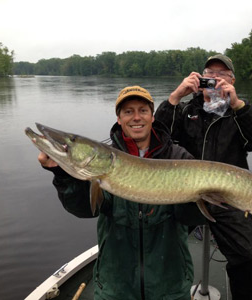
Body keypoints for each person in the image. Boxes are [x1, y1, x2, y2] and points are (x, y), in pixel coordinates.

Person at [38, 86, 203, 300]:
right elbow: (86, 209)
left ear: (152, 117)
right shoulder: (103, 161)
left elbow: (193, 217)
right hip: (116, 285)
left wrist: (201, 198)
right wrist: (62, 173)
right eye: (128, 111)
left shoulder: (178, 157)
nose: (136, 117)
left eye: (143, 110)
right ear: (119, 119)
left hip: (169, 284)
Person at [155, 54, 252, 300]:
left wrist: (238, 105)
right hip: (184, 194)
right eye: (210, 73)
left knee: (250, 258)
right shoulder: (187, 109)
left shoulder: (239, 113)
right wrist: (175, 96)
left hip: (228, 198)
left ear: (232, 80)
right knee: (158, 247)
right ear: (200, 78)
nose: (215, 78)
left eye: (222, 74)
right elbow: (157, 135)